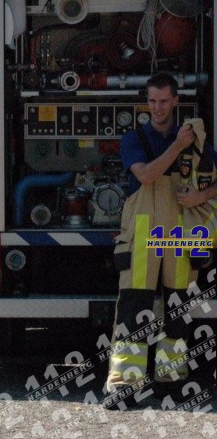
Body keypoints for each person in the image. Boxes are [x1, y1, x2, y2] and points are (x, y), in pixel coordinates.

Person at [105, 73, 217, 409]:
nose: (157, 108)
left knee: (178, 308)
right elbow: (147, 176)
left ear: (175, 101)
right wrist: (178, 146)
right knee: (132, 309)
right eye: (152, 101)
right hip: (142, 234)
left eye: (164, 101)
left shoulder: (197, 142)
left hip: (180, 235)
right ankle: (124, 384)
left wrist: (201, 195)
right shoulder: (134, 138)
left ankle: (172, 380)